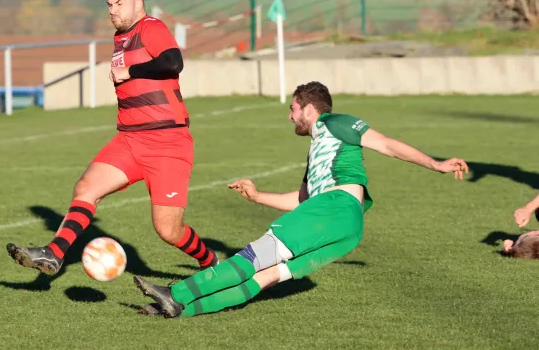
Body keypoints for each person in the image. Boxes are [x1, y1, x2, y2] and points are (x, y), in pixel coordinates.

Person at [132, 81, 469, 318]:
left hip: (336, 208)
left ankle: (175, 294)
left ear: (309, 108)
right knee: (263, 278)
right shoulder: (319, 155)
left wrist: (435, 164)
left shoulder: (335, 122)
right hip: (345, 227)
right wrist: (258, 195)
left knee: (254, 256)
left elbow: (387, 144)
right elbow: (303, 201)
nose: (291, 116)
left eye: (293, 109)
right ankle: (181, 309)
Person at [6, 0, 218, 276]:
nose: (112, 10)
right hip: (130, 140)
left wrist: (129, 71)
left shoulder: (151, 26)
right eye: (109, 5)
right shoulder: (120, 37)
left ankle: (211, 263)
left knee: (168, 230)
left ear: (137, 4)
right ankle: (53, 254)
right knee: (86, 188)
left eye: (119, 4)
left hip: (167, 142)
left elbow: (173, 62)